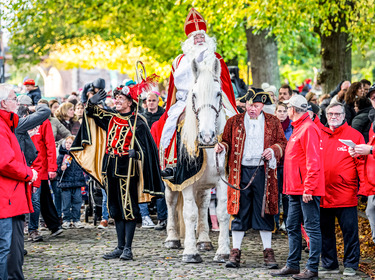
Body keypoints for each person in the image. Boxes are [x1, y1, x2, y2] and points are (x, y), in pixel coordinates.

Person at [70, 85, 164, 261]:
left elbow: (147, 150)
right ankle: (119, 247)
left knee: (128, 209)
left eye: (121, 98)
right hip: (110, 168)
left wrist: (137, 153)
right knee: (115, 208)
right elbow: (91, 113)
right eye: (116, 98)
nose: (117, 101)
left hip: (127, 171)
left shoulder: (138, 122)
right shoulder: (111, 117)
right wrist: (91, 102)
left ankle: (128, 248)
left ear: (130, 102)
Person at [152, 7, 238, 180]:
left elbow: (224, 82)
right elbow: (177, 83)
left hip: (212, 98)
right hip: (186, 100)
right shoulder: (180, 60)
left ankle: (236, 161)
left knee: (235, 120)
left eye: (201, 36)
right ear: (189, 40)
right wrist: (193, 62)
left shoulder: (216, 57)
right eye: (195, 37)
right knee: (170, 123)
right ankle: (171, 163)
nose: (199, 39)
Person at [215, 89, 287, 269]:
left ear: (262, 106)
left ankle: (268, 251)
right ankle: (235, 252)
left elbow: (282, 143)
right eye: (249, 105)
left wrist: (273, 150)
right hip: (240, 172)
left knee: (264, 211)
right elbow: (226, 141)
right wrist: (221, 147)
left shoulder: (273, 121)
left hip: (264, 173)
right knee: (239, 212)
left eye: (255, 105)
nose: (251, 109)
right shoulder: (234, 122)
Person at [271, 94, 324, 280]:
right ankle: (293, 265)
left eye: (288, 108)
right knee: (292, 226)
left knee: (311, 228)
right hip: (294, 190)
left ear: (293, 110)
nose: (287, 111)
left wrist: (309, 188)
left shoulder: (308, 128)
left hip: (305, 190)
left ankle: (312, 269)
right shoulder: (299, 128)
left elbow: (314, 161)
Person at [319, 103, 364, 276]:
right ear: (326, 115)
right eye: (330, 113)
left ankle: (351, 264)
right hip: (323, 193)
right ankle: (329, 264)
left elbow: (361, 162)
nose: (333, 116)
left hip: (346, 193)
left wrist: (362, 189)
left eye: (337, 113)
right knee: (326, 231)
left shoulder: (354, 135)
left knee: (350, 231)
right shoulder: (320, 134)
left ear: (344, 116)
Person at [0, 84, 38, 280]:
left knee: (14, 248)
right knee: (5, 250)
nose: (17, 101)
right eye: (14, 98)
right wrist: (28, 173)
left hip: (10, 197)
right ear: (3, 103)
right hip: (5, 197)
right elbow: (4, 162)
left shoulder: (6, 123)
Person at [29, 106, 63, 241]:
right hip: (27, 167)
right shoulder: (21, 121)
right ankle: (51, 225)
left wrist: (52, 168)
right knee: (42, 198)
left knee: (38, 199)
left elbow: (50, 146)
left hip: (40, 168)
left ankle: (34, 228)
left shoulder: (44, 122)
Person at [349, 84, 375, 246]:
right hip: (372, 180)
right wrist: (361, 153)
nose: (374, 100)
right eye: (373, 98)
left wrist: (370, 150)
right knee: (371, 210)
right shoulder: (374, 120)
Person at [141, 92, 167, 230]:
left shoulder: (164, 117)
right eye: (148, 100)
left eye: (153, 100)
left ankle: (162, 218)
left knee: (160, 188)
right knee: (143, 187)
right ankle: (144, 216)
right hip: (145, 156)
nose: (151, 103)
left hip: (159, 156)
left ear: (158, 102)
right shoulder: (142, 116)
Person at [57, 136, 85, 229]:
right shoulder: (61, 156)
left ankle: (76, 219)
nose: (68, 145)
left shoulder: (78, 156)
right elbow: (58, 171)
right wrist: (61, 169)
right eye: (67, 143)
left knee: (77, 201)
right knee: (66, 203)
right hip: (65, 183)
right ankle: (66, 220)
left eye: (70, 143)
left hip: (77, 182)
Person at [274, 102, 292, 231]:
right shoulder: (272, 126)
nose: (282, 113)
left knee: (286, 195)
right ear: (275, 112)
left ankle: (286, 221)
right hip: (274, 165)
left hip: (287, 165)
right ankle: (274, 222)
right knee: (274, 196)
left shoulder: (292, 126)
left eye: (284, 111)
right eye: (279, 111)